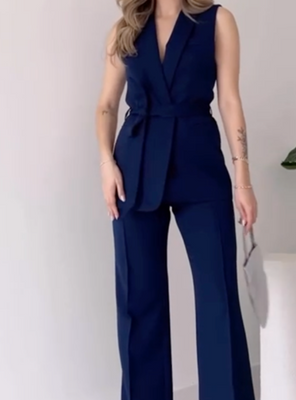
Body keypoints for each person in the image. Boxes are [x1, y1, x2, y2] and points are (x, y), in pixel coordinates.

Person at [95, 0, 258, 398]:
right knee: (138, 301)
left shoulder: (218, 21)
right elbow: (107, 105)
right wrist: (105, 162)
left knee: (218, 297)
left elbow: (230, 99)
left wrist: (243, 178)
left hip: (199, 165)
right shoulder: (125, 28)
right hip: (133, 170)